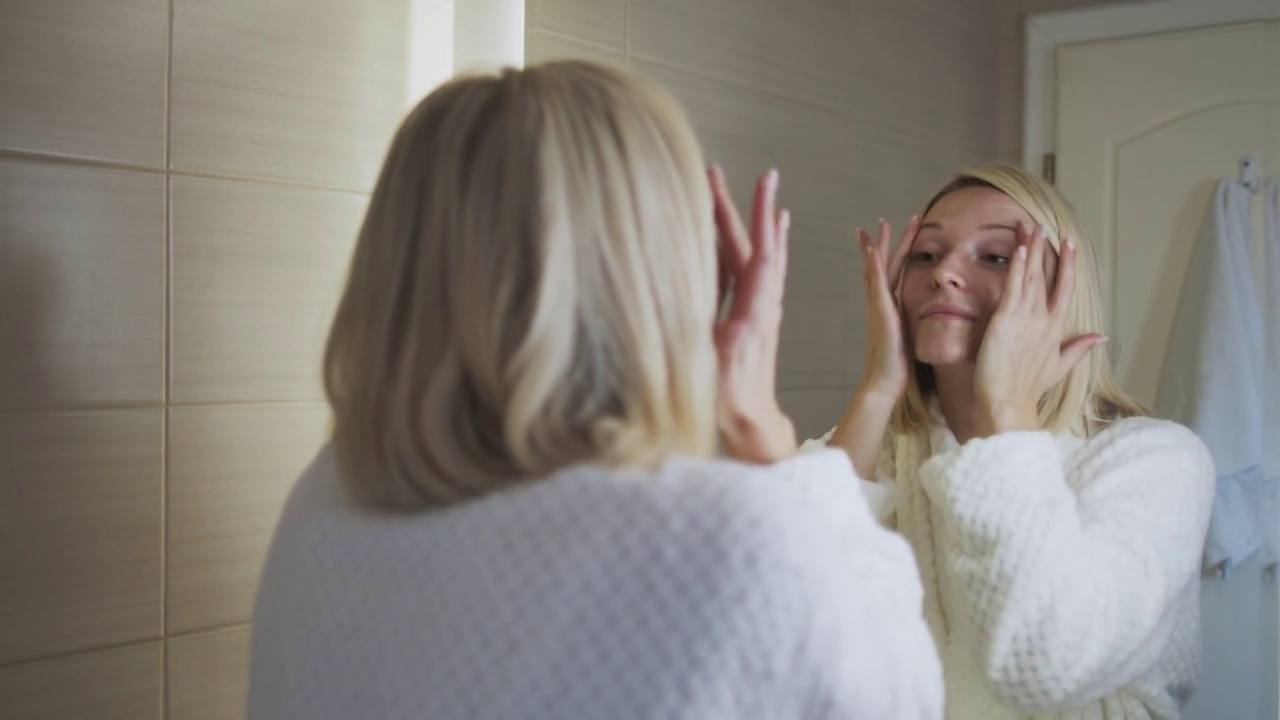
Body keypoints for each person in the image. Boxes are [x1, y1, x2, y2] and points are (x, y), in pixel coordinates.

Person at [246, 61, 942, 719]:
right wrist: (766, 436)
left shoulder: (326, 498)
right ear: (656, 269)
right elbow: (902, 698)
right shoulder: (726, 537)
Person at [808, 163, 1215, 719]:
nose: (945, 272)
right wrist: (878, 388)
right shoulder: (880, 451)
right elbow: (785, 619)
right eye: (925, 254)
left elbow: (1044, 665)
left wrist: (1006, 409)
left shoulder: (1156, 461)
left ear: (1062, 297)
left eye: (996, 257)